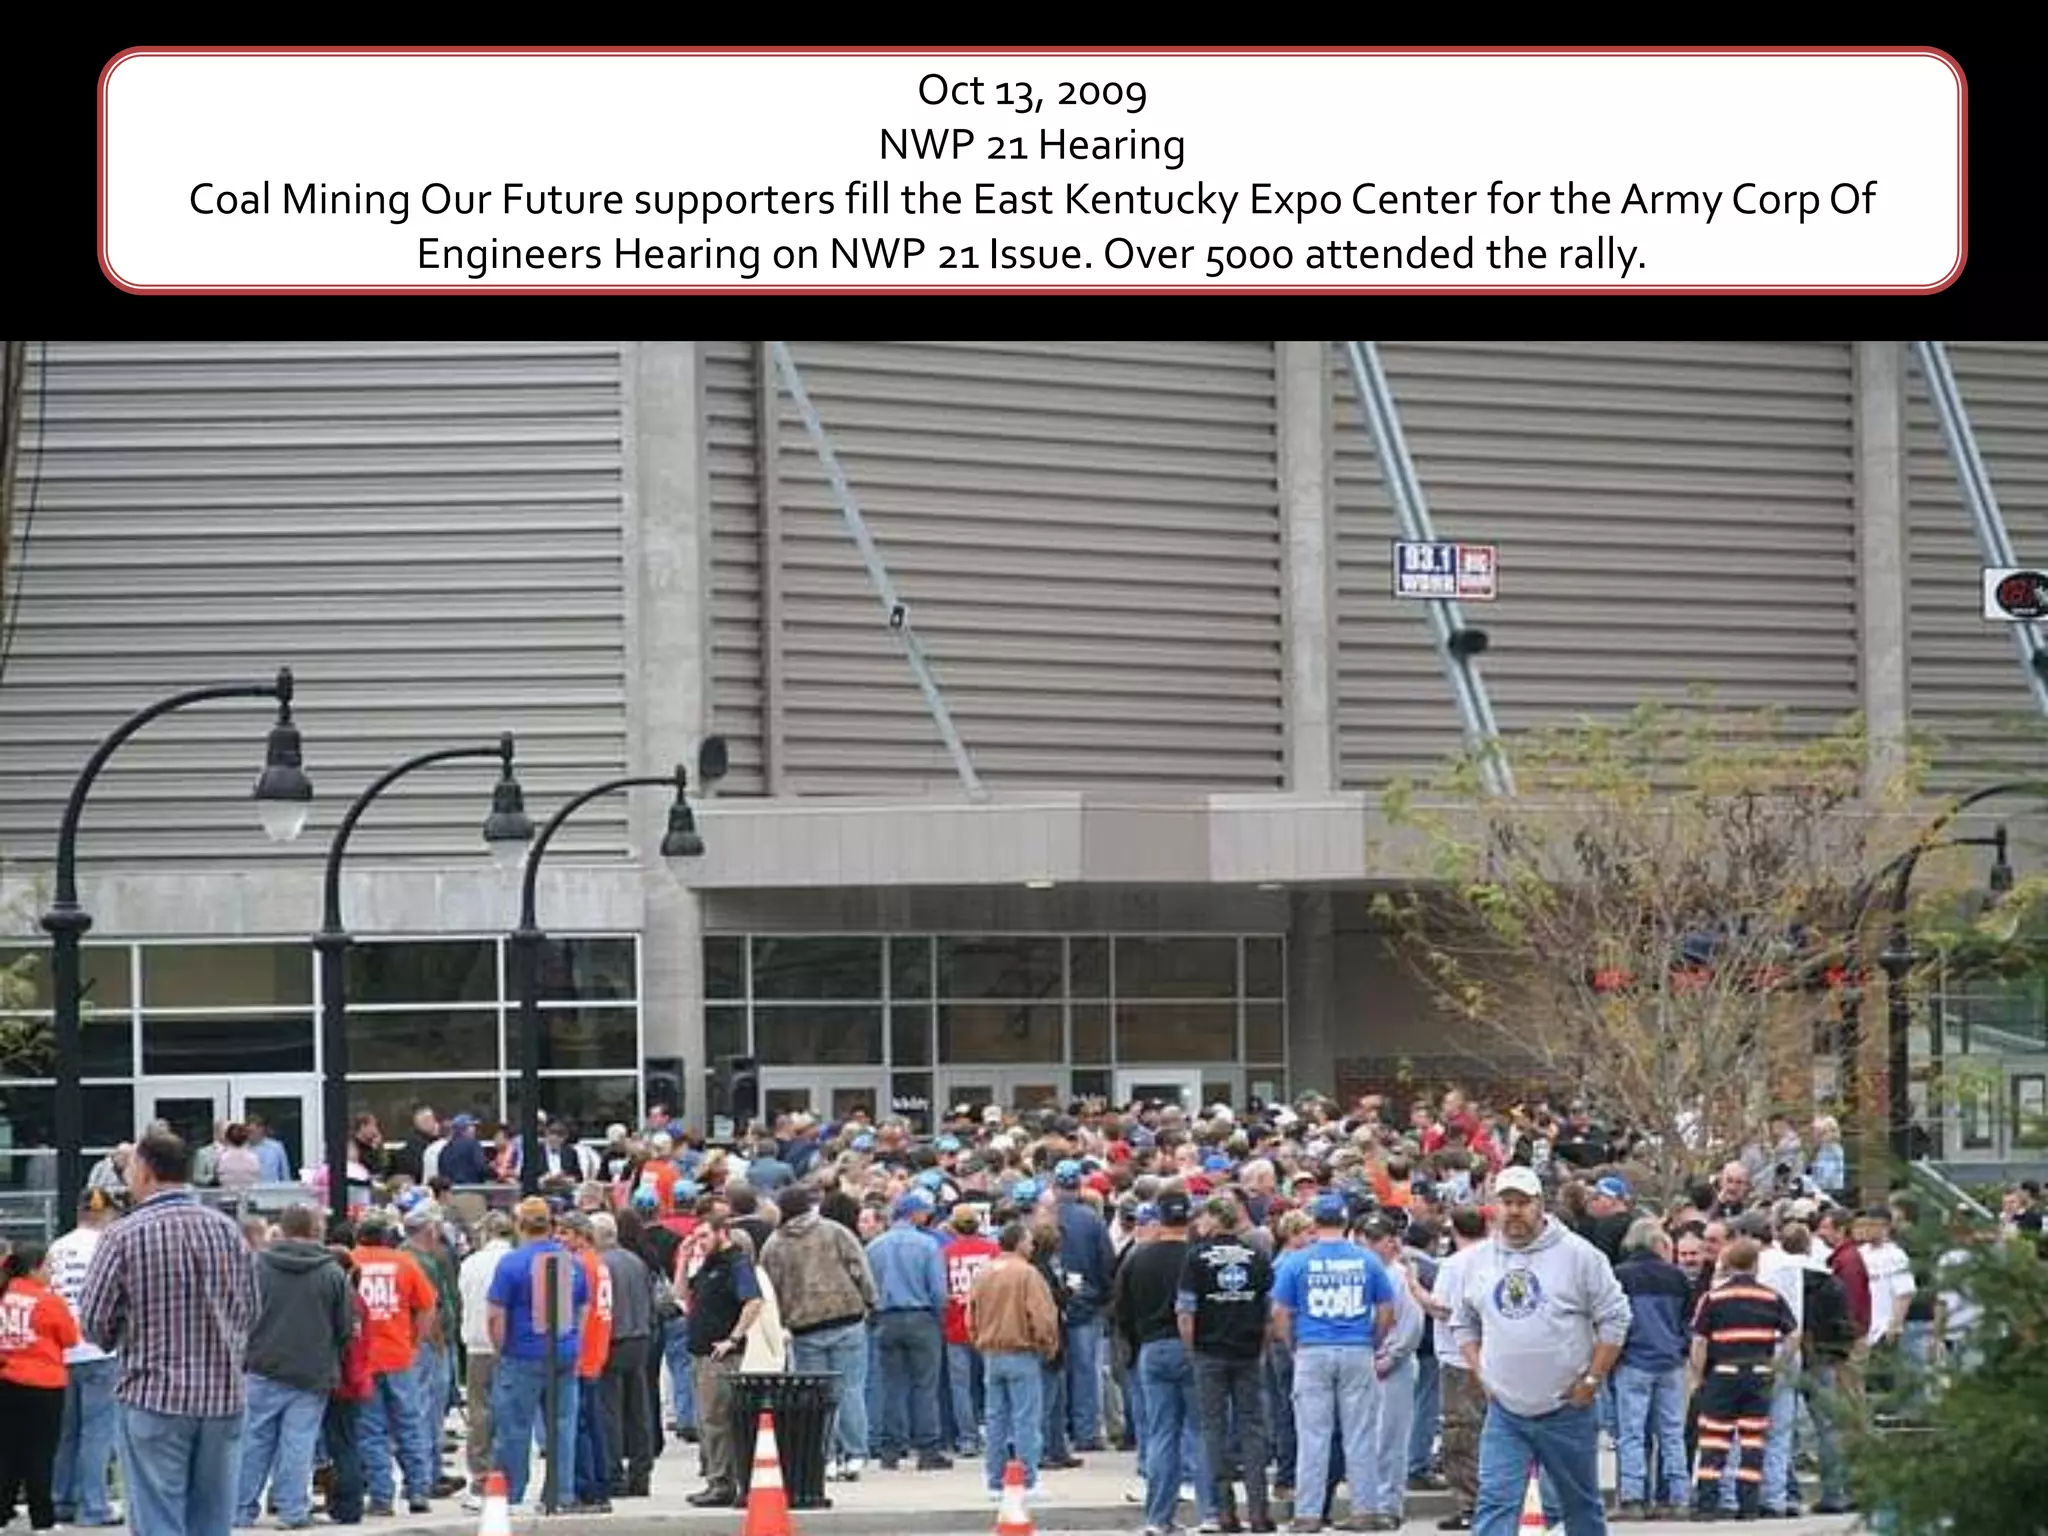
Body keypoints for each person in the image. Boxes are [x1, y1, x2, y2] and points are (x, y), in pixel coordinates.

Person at [78, 1128, 260, 1536]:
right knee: (213, 1520)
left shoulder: (123, 1234)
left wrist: (118, 1335)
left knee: (158, 1518)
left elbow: (94, 1321)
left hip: (154, 1394)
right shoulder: (226, 1230)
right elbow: (251, 1308)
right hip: (223, 1396)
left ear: (144, 1171)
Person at [1449, 1164, 1631, 1536]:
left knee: (1579, 1505)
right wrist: (1480, 1371)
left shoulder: (1579, 1256)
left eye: (1523, 1202)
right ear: (1493, 1207)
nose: (1514, 1211)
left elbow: (1616, 1317)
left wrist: (1593, 1379)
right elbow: (1462, 1322)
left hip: (1567, 1409)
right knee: (1495, 1502)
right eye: (1506, 1202)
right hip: (1506, 1412)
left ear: (1540, 1205)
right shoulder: (1477, 1260)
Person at [1271, 1192, 1397, 1535]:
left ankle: (1308, 1514)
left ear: (1314, 1222)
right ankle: (1364, 1511)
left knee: (1312, 1435)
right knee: (1360, 1434)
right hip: (1356, 1348)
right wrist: (1373, 1341)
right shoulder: (1367, 1261)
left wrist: (1293, 1345)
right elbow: (1387, 1310)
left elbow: (1280, 1313)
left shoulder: (1297, 1261)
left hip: (1312, 1348)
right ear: (1345, 1223)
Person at [235, 1203, 354, 1531]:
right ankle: (292, 1511)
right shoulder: (331, 1272)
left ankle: (241, 1510)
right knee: (298, 1443)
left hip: (261, 1366)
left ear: (283, 1230)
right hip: (312, 1371)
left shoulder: (257, 1266)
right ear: (315, 1230)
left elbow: (240, 1314)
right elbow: (345, 1327)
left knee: (254, 1440)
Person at [760, 1184, 877, 1482]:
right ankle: (855, 1454)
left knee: (816, 1396)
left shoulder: (775, 1244)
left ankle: (825, 1456)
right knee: (850, 1390)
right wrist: (870, 1300)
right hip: (846, 1317)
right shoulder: (835, 1232)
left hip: (804, 1327)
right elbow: (859, 1267)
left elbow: (768, 1288)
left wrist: (781, 1322)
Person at [1179, 1193, 1275, 1533]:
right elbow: (1268, 1313)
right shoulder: (1257, 1256)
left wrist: (1192, 1350)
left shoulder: (1197, 1259)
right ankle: (1260, 1512)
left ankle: (1224, 1511)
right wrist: (1261, 1348)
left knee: (1213, 1430)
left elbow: (1186, 1312)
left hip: (1210, 1351)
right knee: (1252, 1431)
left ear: (1215, 1221)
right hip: (1247, 1352)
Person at [487, 1196, 591, 1511]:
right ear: (551, 1225)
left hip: (522, 1352)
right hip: (564, 1349)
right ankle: (560, 1494)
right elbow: (583, 1307)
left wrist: (500, 1349)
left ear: (520, 1226)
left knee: (515, 1426)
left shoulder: (512, 1263)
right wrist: (574, 1342)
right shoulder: (570, 1262)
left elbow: (495, 1315)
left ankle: (512, 1492)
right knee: (563, 1424)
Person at [1686, 1238, 1797, 1522]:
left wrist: (1697, 1376)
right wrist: (1778, 1365)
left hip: (1722, 1375)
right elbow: (1793, 1334)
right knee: (1752, 1441)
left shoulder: (1713, 1298)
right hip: (1759, 1376)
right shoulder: (1771, 1297)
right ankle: (1748, 1506)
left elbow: (1699, 1341)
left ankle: (1708, 1505)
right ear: (1756, 1265)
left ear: (1728, 1264)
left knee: (1714, 1439)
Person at [1117, 1187, 1205, 1536]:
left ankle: (1158, 1517)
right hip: (1193, 1347)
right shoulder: (1197, 1257)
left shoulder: (1137, 1257)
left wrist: (1137, 1344)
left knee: (1160, 1434)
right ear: (1189, 1218)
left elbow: (1121, 1309)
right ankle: (1210, 1512)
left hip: (1152, 1347)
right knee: (1201, 1433)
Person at [350, 1212, 440, 1516]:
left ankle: (381, 1496)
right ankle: (418, 1490)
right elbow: (427, 1306)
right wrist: (416, 1341)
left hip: (363, 1359)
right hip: (399, 1355)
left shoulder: (351, 1262)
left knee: (371, 1430)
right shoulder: (404, 1263)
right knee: (410, 1424)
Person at [967, 1221, 1060, 1499]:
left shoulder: (983, 1274)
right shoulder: (1028, 1275)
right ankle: (1027, 1480)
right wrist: (1048, 1345)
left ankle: (994, 1481)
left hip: (991, 1353)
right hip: (1022, 1352)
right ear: (1019, 1242)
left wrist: (979, 1340)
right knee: (1026, 1420)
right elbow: (1043, 1317)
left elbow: (970, 1315)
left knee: (995, 1419)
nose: (1032, 1245)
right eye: (1029, 1240)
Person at [47, 1189, 120, 1528]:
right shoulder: (109, 1246)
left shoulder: (58, 1248)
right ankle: (94, 1506)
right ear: (106, 1215)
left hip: (62, 1349)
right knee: (98, 1432)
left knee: (67, 1431)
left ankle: (61, 1499)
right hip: (99, 1348)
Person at [1610, 1218, 1692, 1521]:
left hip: (1633, 1361)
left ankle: (1633, 1498)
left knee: (1631, 1433)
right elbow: (1687, 1321)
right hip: (1670, 1363)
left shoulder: (1620, 1276)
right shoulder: (1678, 1278)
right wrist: (1681, 1348)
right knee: (1671, 1432)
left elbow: (1613, 1319)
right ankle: (1678, 1496)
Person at [867, 1190, 952, 1470]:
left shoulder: (875, 1247)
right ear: (913, 1214)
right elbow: (939, 1291)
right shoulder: (927, 1245)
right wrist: (940, 1317)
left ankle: (891, 1448)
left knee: (892, 1385)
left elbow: (867, 1286)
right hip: (921, 1317)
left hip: (886, 1319)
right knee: (924, 1385)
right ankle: (927, 1449)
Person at [0, 1241, 81, 1534]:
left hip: (6, 1379)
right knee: (41, 1452)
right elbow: (71, 1338)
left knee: (7, 1450)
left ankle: (3, 1511)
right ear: (34, 1269)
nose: (51, 1272)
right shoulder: (48, 1301)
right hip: (44, 1384)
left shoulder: (4, 1295)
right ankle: (42, 1519)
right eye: (48, 1266)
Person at [684, 1212, 763, 1507]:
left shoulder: (736, 1263)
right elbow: (682, 1294)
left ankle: (723, 1482)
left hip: (720, 1355)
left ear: (722, 1233)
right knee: (707, 1420)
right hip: (700, 1350)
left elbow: (753, 1301)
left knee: (717, 1419)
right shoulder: (709, 1264)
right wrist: (683, 1260)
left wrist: (734, 1338)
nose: (699, 1242)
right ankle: (716, 1477)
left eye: (704, 1236)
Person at [1359, 1214, 1427, 1531]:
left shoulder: (1400, 1277)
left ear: (1392, 1241)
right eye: (1366, 1239)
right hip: (1360, 1365)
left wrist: (1390, 1357)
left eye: (1377, 1239)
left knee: (1390, 1438)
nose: (1371, 1245)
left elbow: (1412, 1326)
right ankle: (1367, 1504)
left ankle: (1388, 1505)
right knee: (1365, 1438)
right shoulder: (1359, 1273)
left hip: (1393, 1366)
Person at [1427, 1205, 1489, 1532]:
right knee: (1491, 1431)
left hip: (1457, 1357)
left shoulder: (1453, 1264)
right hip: (1495, 1357)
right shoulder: (1498, 1256)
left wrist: (1415, 1290)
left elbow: (1442, 1308)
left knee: (1460, 1433)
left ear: (1455, 1231)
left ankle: (1471, 1502)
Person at [1051, 1158, 1114, 1451]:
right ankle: (1086, 1432)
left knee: (1057, 1370)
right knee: (1086, 1369)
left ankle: (1059, 1429)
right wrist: (1103, 1295)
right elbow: (1106, 1263)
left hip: (1053, 1304)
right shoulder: (1092, 1219)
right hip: (1087, 1303)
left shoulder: (1044, 1217)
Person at [593, 1211, 656, 1499]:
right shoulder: (636, 1261)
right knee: (638, 1409)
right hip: (640, 1337)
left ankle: (614, 1474)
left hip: (613, 1339)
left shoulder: (600, 1265)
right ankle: (641, 1474)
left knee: (610, 1411)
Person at [558, 1212, 615, 1513]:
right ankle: (600, 1485)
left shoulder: (579, 1266)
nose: (559, 1239)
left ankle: (586, 1487)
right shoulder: (599, 1263)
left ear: (581, 1236)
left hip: (582, 1353)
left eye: (565, 1234)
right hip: (596, 1351)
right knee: (592, 1424)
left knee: (580, 1426)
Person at [457, 1211, 513, 1507]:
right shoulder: (515, 1261)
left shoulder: (471, 1264)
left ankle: (480, 1472)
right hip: (511, 1344)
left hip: (478, 1343)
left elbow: (462, 1297)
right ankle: (506, 1469)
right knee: (508, 1409)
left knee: (479, 1411)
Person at [942, 1206, 1002, 1456]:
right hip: (988, 1324)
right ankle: (994, 1433)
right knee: (991, 1383)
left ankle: (967, 1438)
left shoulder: (945, 1253)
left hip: (956, 1324)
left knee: (960, 1386)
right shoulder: (993, 1251)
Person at [247, 1114, 293, 1185]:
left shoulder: (276, 1147)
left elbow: (285, 1173)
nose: (251, 1135)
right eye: (249, 1132)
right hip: (250, 1192)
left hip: (272, 1193)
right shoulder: (242, 1149)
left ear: (262, 1129)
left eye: (253, 1131)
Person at [215, 1123, 261, 1194]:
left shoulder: (222, 1158)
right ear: (246, 1139)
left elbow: (218, 1178)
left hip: (227, 1198)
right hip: (249, 1199)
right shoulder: (254, 1158)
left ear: (227, 1139)